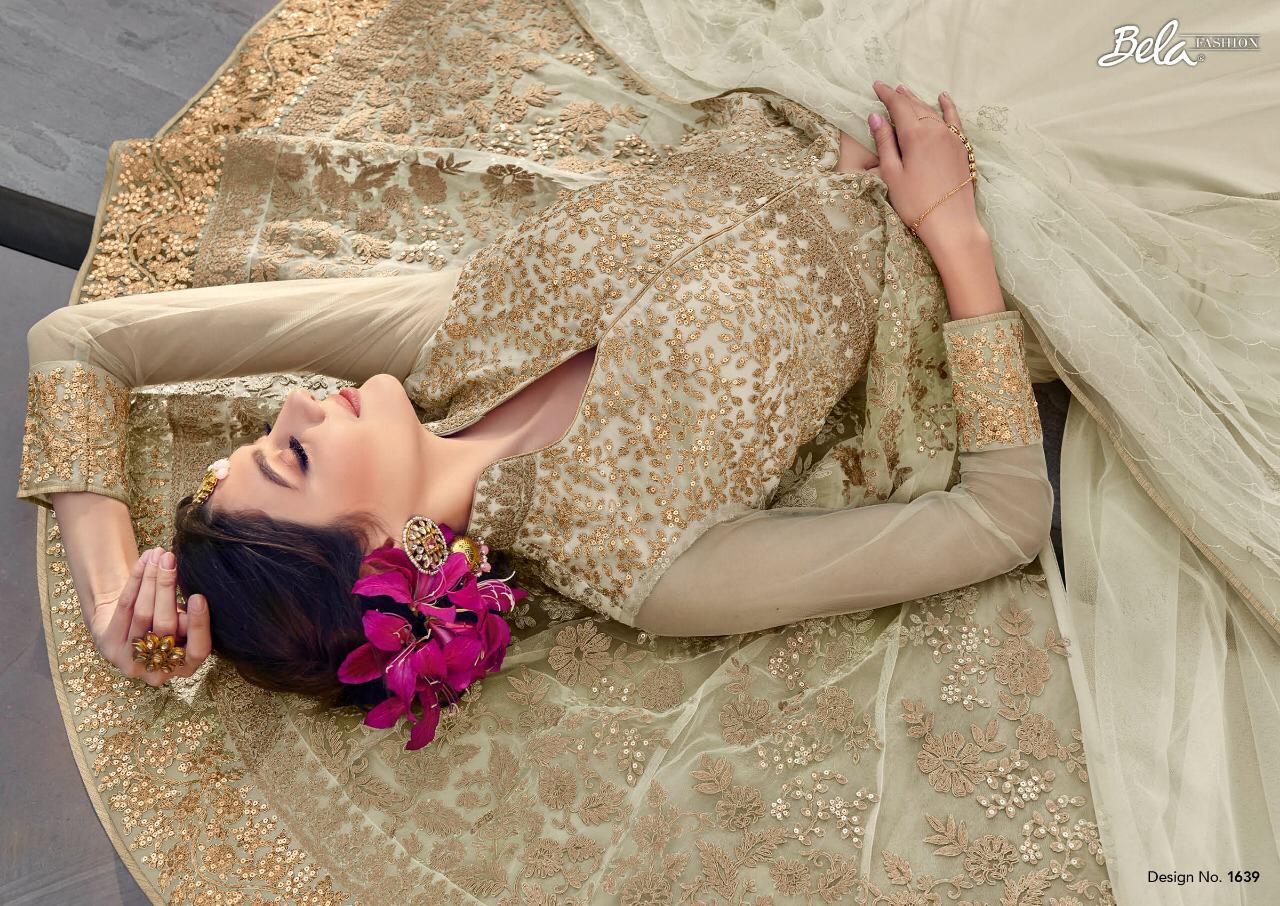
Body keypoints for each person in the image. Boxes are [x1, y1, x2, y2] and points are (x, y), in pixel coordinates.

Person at [19, 82, 1049, 704]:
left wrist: (112, 599)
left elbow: (79, 341)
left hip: (817, 67)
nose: (293, 405)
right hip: (1009, 197)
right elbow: (999, 518)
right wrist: (955, 235)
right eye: (290, 456)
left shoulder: (442, 334)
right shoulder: (649, 561)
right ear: (389, 556)